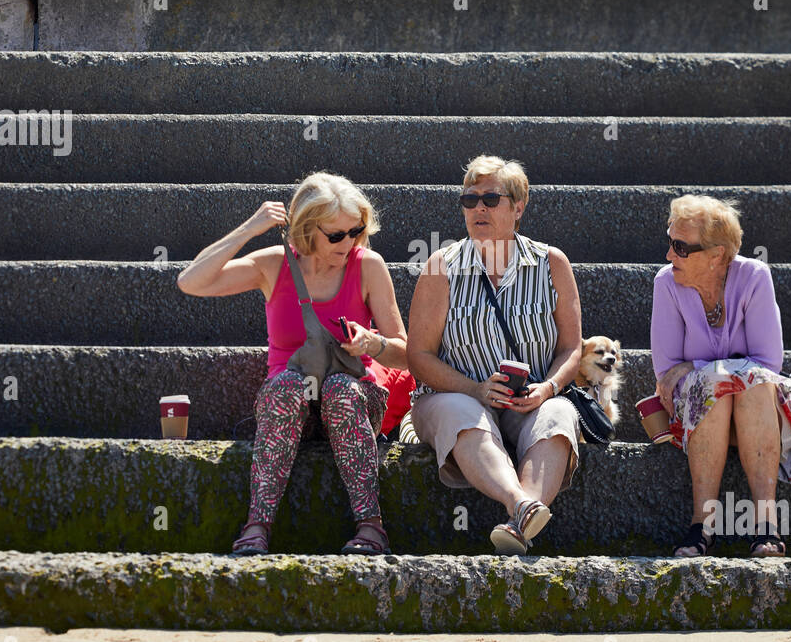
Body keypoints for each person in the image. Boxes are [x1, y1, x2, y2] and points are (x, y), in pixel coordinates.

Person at [177, 173, 408, 556]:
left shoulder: (368, 266)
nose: (348, 242)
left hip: (351, 398)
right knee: (287, 386)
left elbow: (406, 352)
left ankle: (371, 527)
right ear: (306, 227)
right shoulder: (274, 266)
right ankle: (256, 527)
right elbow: (190, 281)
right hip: (289, 406)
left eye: (355, 231)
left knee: (340, 390)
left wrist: (373, 343)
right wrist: (249, 229)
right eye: (335, 235)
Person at [406, 156, 583, 556]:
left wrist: (548, 387)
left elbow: (572, 348)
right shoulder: (441, 267)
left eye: (490, 199)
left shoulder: (551, 263)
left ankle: (518, 526)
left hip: (529, 402)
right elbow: (419, 356)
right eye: (470, 200)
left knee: (559, 415)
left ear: (518, 207)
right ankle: (520, 505)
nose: (478, 209)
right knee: (461, 412)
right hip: (458, 396)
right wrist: (476, 389)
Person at [651, 194, 791, 558]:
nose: (669, 255)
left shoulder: (754, 276)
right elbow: (667, 372)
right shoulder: (666, 283)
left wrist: (703, 368)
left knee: (750, 383)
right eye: (669, 242)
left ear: (717, 255)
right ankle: (701, 526)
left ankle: (765, 523)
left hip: (759, 408)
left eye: (680, 247)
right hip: (698, 411)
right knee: (719, 384)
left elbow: (769, 361)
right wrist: (720, 373)